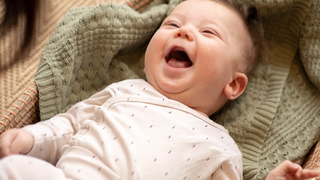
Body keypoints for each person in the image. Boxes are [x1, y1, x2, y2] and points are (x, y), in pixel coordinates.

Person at [0, 0, 318, 179]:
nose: (183, 32)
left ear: (233, 84)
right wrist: (31, 138)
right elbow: (71, 124)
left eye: (208, 32)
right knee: (14, 168)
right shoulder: (124, 90)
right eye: (171, 24)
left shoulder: (221, 147)